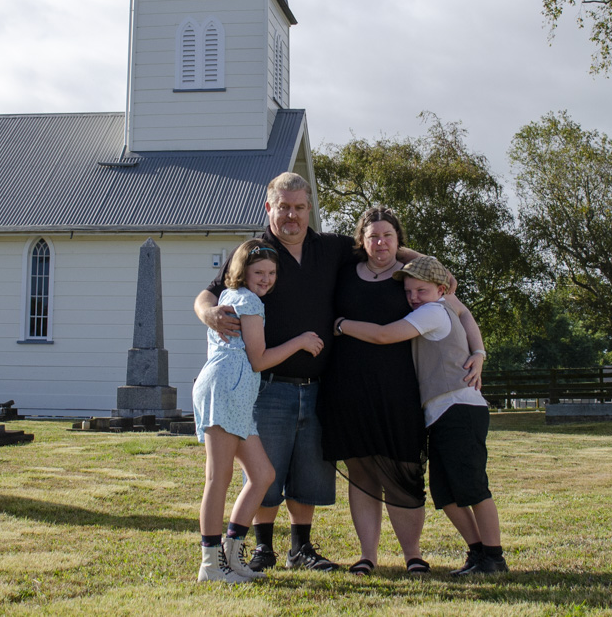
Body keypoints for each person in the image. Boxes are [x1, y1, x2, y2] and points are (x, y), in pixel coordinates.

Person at [194, 172, 421, 572]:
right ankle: (262, 546)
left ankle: (302, 548)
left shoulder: (330, 248)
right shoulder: (254, 252)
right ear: (269, 208)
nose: (292, 216)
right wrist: (208, 313)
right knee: (268, 471)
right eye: (284, 208)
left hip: (320, 384)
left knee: (309, 472)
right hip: (267, 385)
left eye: (299, 207)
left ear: (309, 208)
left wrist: (427, 266)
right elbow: (208, 292)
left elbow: (380, 249)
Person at [317, 207, 488, 575]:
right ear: (361, 240)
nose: (380, 242)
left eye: (388, 236)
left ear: (399, 240)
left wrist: (479, 352)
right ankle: (368, 556)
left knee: (403, 470)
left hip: (401, 387)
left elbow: (461, 313)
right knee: (362, 473)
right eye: (373, 235)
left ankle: (413, 554)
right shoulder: (344, 274)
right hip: (348, 387)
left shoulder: (413, 277)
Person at [192, 240, 324, 583]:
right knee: (217, 479)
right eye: (259, 272)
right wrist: (300, 342)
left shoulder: (236, 298)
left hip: (238, 395)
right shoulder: (247, 301)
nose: (266, 279)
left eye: (271, 272)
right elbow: (259, 359)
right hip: (224, 391)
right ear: (242, 273)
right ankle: (211, 565)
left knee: (263, 474)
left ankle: (232, 555)